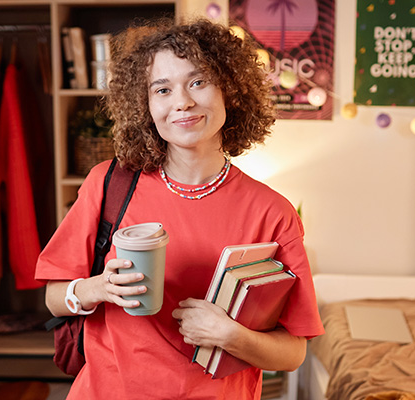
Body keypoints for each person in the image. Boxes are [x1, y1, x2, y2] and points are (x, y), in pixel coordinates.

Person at [35, 18, 324, 399]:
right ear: (146, 106)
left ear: (230, 91)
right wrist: (98, 288)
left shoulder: (273, 213)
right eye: (162, 89)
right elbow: (54, 296)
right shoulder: (108, 184)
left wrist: (230, 335)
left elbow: (293, 352)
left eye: (198, 82)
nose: (182, 102)